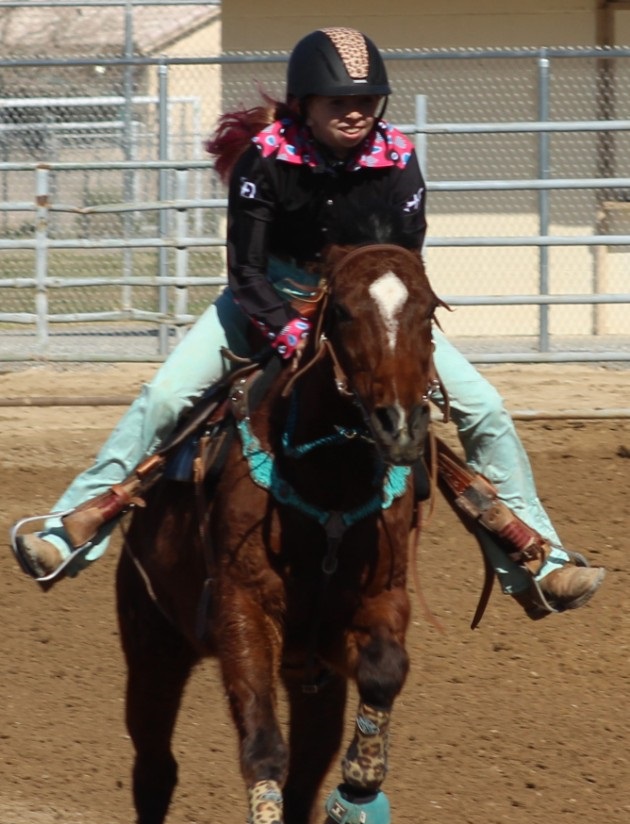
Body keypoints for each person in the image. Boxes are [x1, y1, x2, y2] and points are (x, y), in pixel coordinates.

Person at [11, 26, 604, 618]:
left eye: (366, 101)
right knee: (163, 396)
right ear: (306, 105)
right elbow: (244, 270)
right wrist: (287, 327)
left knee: (487, 410)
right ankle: (72, 528)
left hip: (366, 315)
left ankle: (539, 565)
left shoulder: (398, 160)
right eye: (339, 102)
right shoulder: (264, 161)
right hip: (266, 301)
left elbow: (405, 266)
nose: (355, 113)